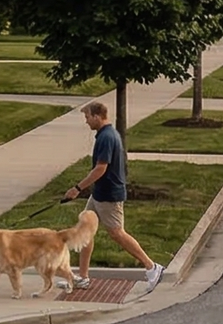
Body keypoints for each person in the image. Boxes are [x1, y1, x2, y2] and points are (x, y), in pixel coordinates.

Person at [62, 101, 165, 292]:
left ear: (97, 116)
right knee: (86, 229)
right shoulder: (105, 134)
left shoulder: (107, 137)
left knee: (117, 233)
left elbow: (101, 168)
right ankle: (83, 277)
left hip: (109, 195)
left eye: (87, 117)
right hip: (99, 193)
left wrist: (77, 188)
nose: (86, 122)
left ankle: (152, 268)